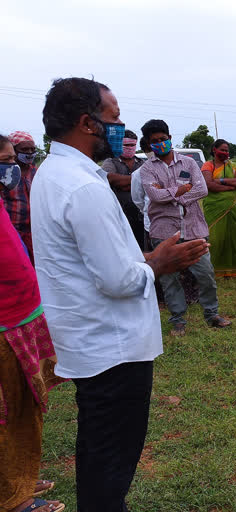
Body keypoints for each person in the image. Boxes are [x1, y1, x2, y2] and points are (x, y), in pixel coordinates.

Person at [31, 77, 210, 512]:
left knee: (98, 449)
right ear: (86, 123)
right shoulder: (84, 187)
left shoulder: (52, 174)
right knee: (111, 459)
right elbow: (117, 280)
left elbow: (91, 261)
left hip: (90, 341)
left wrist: (146, 257)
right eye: (113, 118)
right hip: (113, 347)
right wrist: (158, 263)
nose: (120, 126)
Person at [1, 133, 67, 512]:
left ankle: (20, 474)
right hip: (4, 324)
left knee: (27, 406)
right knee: (8, 413)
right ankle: (12, 497)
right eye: (6, 159)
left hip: (23, 316)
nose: (13, 167)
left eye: (14, 159)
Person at [140, 119, 232, 337]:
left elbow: (202, 190)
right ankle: (178, 320)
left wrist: (172, 194)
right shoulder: (147, 169)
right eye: (155, 141)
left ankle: (212, 314)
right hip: (163, 230)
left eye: (163, 139)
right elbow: (154, 195)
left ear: (170, 139)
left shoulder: (189, 164)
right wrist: (182, 189)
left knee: (206, 274)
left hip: (194, 228)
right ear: (149, 144)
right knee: (169, 279)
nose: (160, 143)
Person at [201, 139, 236, 277]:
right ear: (214, 150)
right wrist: (231, 186)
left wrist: (221, 181)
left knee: (235, 237)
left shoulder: (233, 166)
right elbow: (209, 185)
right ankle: (214, 270)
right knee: (215, 238)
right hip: (214, 207)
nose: (225, 153)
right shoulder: (208, 165)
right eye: (223, 149)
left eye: (227, 150)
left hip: (233, 207)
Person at [101, 129, 145, 249]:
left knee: (141, 245)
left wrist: (124, 182)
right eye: (126, 145)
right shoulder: (110, 161)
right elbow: (111, 179)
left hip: (140, 214)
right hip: (119, 213)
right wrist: (137, 181)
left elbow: (148, 182)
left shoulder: (141, 163)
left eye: (132, 145)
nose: (130, 147)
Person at [1, 131, 38, 263]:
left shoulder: (36, 172)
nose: (29, 153)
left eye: (32, 149)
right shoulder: (5, 174)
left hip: (34, 232)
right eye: (24, 149)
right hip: (11, 230)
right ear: (14, 150)